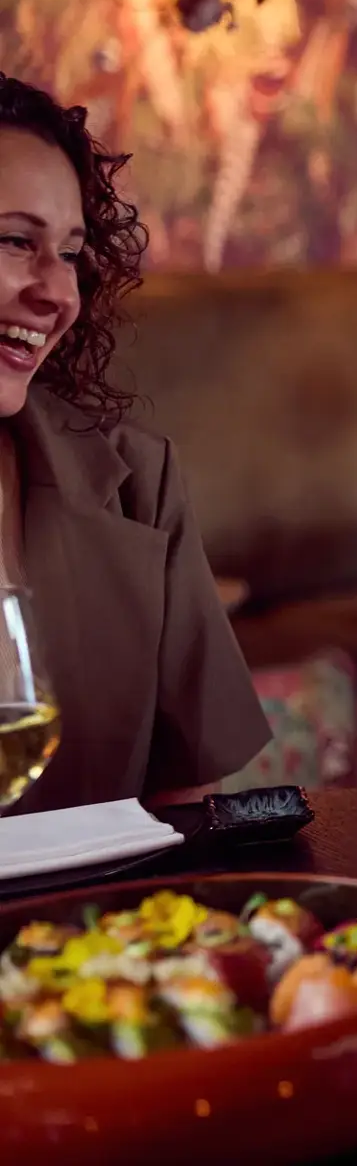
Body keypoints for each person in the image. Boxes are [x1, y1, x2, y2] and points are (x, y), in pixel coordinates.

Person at [0, 74, 269, 813]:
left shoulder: (137, 482)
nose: (57, 294)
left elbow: (189, 798)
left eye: (70, 254)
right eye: (18, 241)